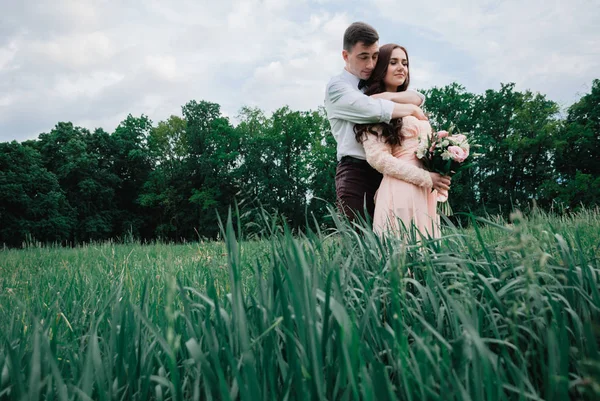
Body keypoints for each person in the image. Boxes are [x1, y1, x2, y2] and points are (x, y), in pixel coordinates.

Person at [324, 22, 430, 225]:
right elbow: (372, 109)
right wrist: (410, 109)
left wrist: (386, 95)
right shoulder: (338, 87)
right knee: (361, 244)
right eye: (363, 57)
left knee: (391, 237)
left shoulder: (372, 83)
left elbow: (418, 96)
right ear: (346, 56)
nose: (371, 64)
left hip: (387, 173)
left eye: (374, 57)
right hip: (356, 173)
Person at [355, 44, 451, 238]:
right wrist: (425, 178)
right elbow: (378, 159)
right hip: (401, 188)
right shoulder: (372, 109)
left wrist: (443, 162)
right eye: (393, 62)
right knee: (403, 255)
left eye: (405, 63)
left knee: (428, 255)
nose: (401, 68)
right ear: (381, 67)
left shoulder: (411, 102)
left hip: (426, 191)